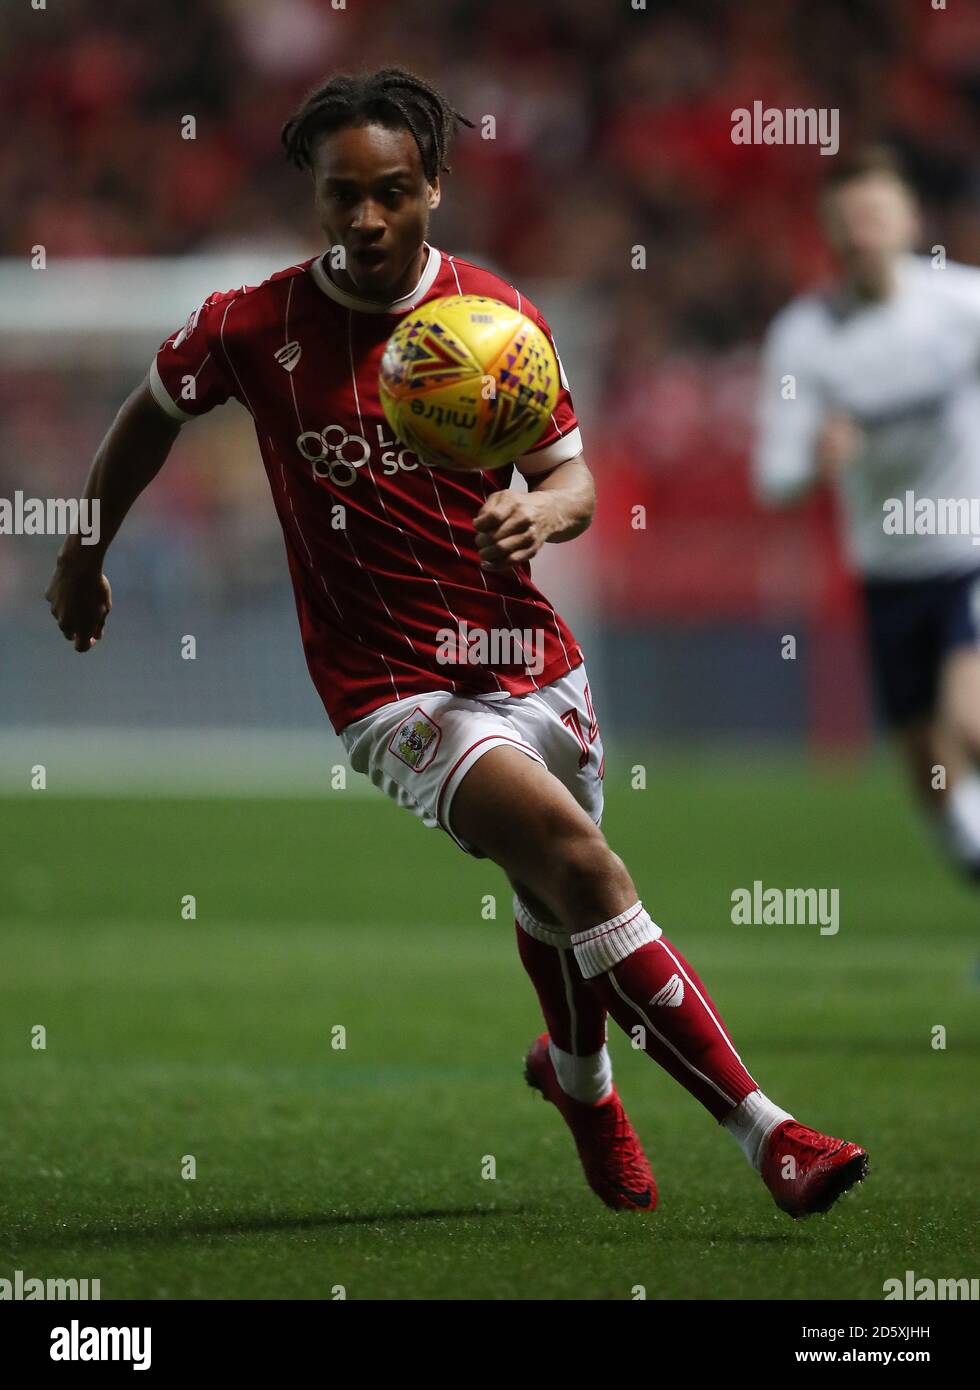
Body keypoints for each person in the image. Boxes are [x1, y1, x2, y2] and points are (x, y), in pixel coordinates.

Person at [46, 66, 867, 1218]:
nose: (366, 219)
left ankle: (578, 1082)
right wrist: (84, 551)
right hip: (388, 687)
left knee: (554, 898)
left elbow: (570, 474)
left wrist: (543, 510)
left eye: (391, 190)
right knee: (581, 866)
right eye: (342, 196)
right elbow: (149, 415)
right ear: (315, 197)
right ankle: (767, 1134)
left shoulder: (493, 322)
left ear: (433, 182)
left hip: (529, 654)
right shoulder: (253, 325)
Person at [755, 146, 980, 883]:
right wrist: (819, 462)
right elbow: (774, 477)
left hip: (969, 554)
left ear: (911, 217)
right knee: (933, 777)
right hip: (887, 572)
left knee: (969, 724)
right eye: (847, 218)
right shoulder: (804, 337)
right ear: (827, 231)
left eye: (876, 213)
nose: (863, 230)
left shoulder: (963, 306)